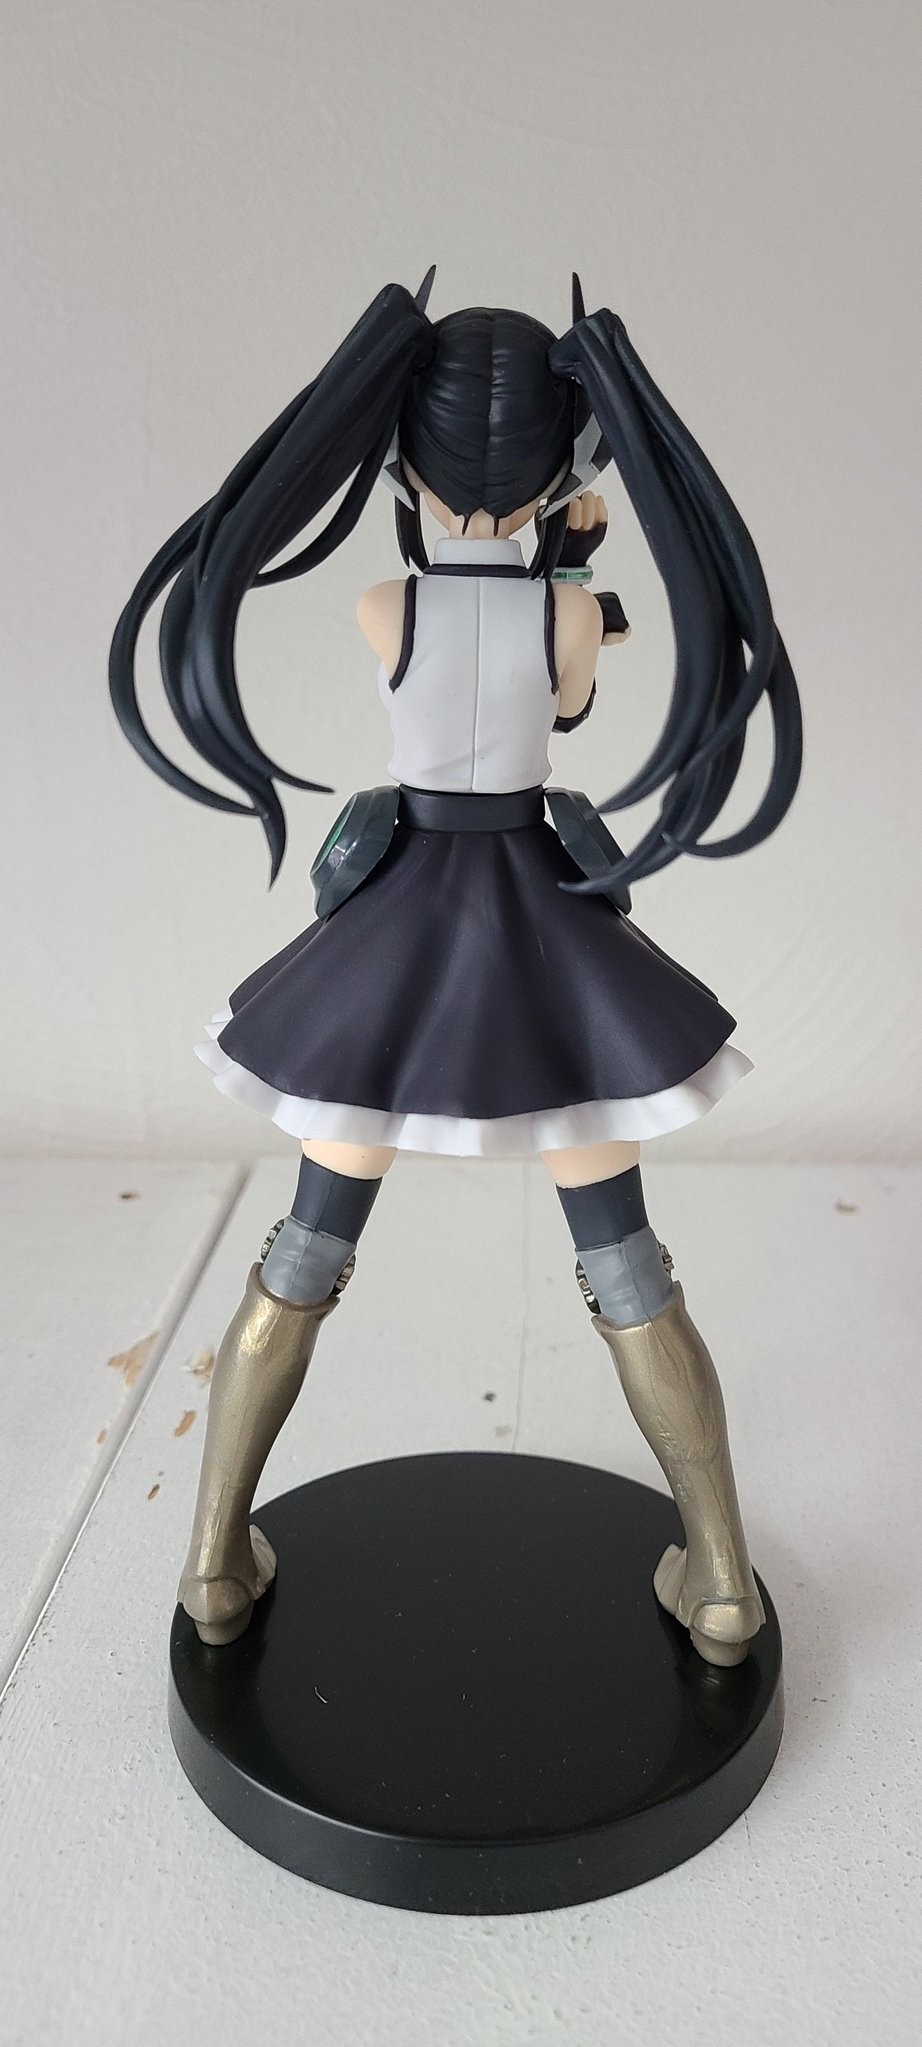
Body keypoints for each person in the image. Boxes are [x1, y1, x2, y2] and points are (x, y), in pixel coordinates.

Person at [110, 271, 801, 1665]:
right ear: (568, 467)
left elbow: (447, 649)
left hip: (399, 932)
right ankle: (723, 1582)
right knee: (625, 1259)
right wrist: (573, 575)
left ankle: (212, 1564)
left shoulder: (385, 603)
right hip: (542, 931)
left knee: (306, 1243)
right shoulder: (568, 617)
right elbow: (567, 702)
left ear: (399, 465)